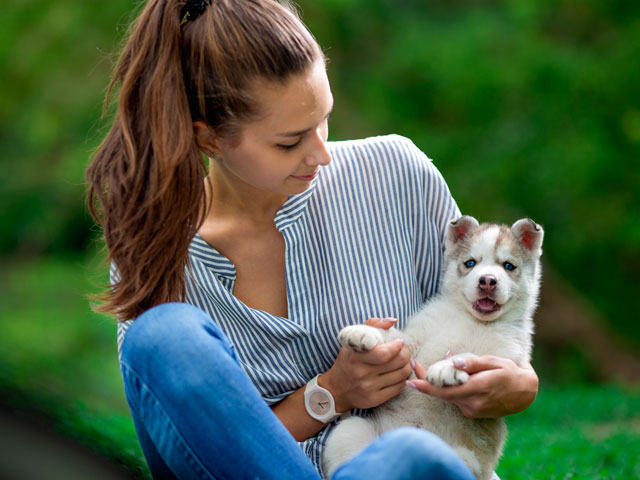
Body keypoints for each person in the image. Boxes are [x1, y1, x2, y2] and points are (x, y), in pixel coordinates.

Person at [86, 0, 539, 479]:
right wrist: (331, 392)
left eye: (324, 117)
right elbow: (203, 443)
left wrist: (519, 385)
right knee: (162, 335)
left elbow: (493, 328)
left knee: (408, 456)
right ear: (209, 139)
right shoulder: (156, 255)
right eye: (289, 141)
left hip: (401, 465)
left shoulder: (396, 173)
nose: (321, 154)